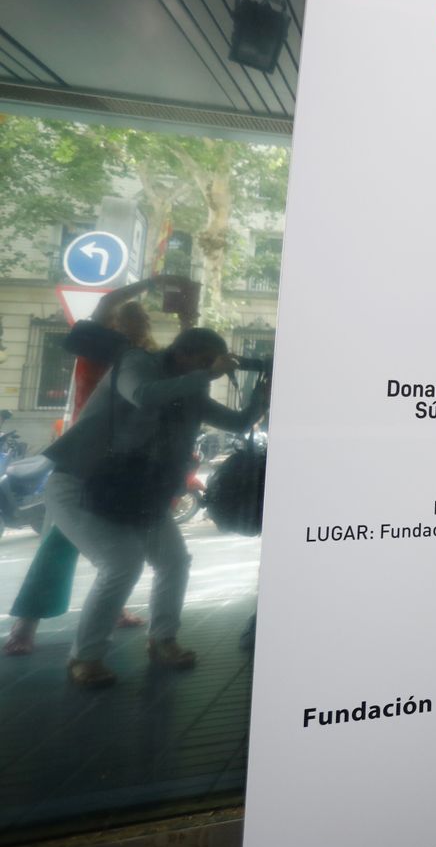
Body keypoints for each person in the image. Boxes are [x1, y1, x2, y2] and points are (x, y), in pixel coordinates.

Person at [43, 327, 269, 687]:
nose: (212, 371)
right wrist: (206, 374)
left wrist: (261, 396)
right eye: (206, 362)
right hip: (81, 481)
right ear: (182, 354)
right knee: (120, 564)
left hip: (135, 490)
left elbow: (238, 423)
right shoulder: (136, 363)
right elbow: (144, 396)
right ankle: (84, 658)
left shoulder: (190, 387)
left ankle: (163, 639)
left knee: (174, 561)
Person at [4, 278, 196, 656]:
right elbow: (183, 359)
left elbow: (187, 360)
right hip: (92, 460)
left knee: (103, 543)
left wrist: (176, 306)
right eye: (134, 321)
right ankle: (29, 627)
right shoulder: (112, 352)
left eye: (135, 321)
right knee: (74, 543)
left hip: (114, 462)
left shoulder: (127, 354)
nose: (135, 326)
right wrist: (170, 298)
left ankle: (40, 625)